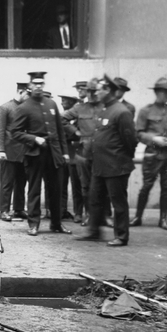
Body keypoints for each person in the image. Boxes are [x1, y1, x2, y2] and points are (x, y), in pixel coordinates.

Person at [76, 75, 137, 246]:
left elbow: (130, 140)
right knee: (94, 199)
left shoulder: (121, 111)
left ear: (109, 90)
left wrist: (121, 159)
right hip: (99, 165)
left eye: (101, 89)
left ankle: (122, 236)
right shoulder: (103, 109)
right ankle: (94, 231)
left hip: (116, 166)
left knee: (118, 203)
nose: (97, 92)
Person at [9, 71, 71, 236]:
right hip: (35, 154)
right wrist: (34, 139)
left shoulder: (51, 104)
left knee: (56, 189)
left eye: (41, 84)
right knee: (34, 189)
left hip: (54, 153)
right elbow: (15, 132)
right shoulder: (24, 107)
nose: (38, 86)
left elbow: (60, 130)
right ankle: (34, 224)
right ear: (30, 86)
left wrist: (64, 153)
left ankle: (56, 223)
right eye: (35, 84)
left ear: (44, 85)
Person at [61, 78, 113, 227]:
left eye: (96, 91)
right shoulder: (80, 108)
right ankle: (89, 215)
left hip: (103, 152)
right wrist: (76, 132)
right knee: (85, 186)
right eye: (91, 91)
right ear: (88, 92)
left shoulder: (106, 107)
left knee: (106, 185)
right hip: (84, 152)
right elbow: (62, 119)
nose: (93, 94)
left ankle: (106, 215)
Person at [130, 77, 167, 230]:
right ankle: (138, 217)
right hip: (152, 156)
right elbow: (139, 133)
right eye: (162, 91)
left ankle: (163, 219)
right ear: (156, 92)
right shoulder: (146, 111)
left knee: (166, 188)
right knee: (146, 186)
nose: (166, 95)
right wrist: (154, 139)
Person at [0, 82, 29, 221]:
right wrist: (0, 150)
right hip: (9, 152)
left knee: (21, 182)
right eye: (27, 94)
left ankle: (19, 209)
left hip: (24, 152)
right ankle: (4, 210)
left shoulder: (27, 109)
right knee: (7, 182)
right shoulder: (5, 108)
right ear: (21, 91)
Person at [58, 94, 82, 222]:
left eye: (65, 101)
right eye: (61, 100)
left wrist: (75, 133)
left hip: (75, 154)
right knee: (61, 184)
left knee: (76, 185)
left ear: (73, 102)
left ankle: (78, 212)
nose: (62, 103)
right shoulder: (62, 116)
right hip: (63, 154)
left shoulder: (79, 116)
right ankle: (62, 211)